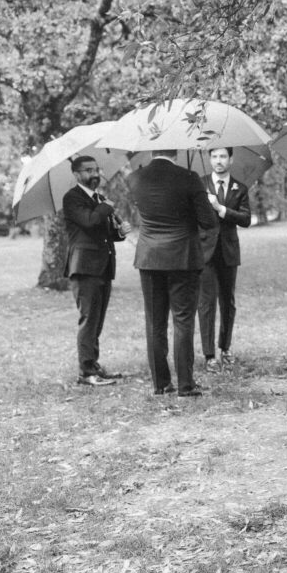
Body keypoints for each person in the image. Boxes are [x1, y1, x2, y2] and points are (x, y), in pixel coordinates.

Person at [128, 149, 217, 397]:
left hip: (148, 258)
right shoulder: (189, 177)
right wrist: (204, 201)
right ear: (175, 151)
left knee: (155, 322)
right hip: (182, 257)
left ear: (153, 150)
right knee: (183, 320)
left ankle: (160, 383)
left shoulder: (134, 178)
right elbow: (208, 221)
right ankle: (185, 385)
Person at [63, 156, 131, 386]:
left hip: (103, 266)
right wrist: (105, 206)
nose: (95, 174)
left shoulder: (98, 198)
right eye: (88, 170)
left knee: (98, 320)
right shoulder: (72, 198)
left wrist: (119, 232)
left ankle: (93, 365)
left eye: (96, 169)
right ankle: (86, 372)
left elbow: (104, 234)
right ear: (76, 174)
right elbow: (90, 221)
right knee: (89, 319)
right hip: (84, 267)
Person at [198, 147, 251, 372]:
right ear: (209, 159)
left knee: (227, 302)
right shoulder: (200, 185)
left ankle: (225, 347)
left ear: (231, 159)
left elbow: (246, 219)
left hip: (228, 251)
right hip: (205, 252)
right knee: (206, 302)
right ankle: (209, 354)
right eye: (214, 157)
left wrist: (221, 209)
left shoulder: (240, 188)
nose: (218, 161)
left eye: (222, 157)